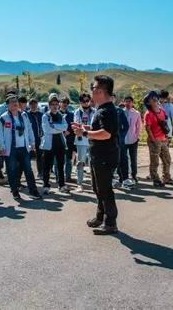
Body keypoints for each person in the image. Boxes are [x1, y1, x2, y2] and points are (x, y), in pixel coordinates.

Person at [72, 75, 120, 235]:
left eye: (93, 88)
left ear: (100, 91)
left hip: (105, 157)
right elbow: (99, 128)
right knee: (98, 188)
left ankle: (110, 223)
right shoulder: (101, 109)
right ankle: (100, 217)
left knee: (105, 190)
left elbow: (106, 133)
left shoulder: (107, 110)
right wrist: (85, 127)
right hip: (98, 156)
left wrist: (84, 133)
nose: (91, 92)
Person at [0, 95, 42, 200]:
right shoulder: (3, 118)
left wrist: (32, 142)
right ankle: (15, 191)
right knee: (11, 170)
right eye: (12, 102)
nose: (15, 103)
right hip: (10, 149)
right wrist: (2, 147)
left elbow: (29, 130)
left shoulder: (24, 115)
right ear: (7, 105)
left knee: (28, 170)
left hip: (24, 147)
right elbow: (0, 134)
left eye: (16, 101)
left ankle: (33, 190)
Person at [144, 91, 173, 188]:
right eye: (152, 98)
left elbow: (165, 123)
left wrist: (166, 137)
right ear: (148, 102)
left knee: (167, 160)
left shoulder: (162, 111)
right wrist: (153, 139)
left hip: (163, 139)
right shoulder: (148, 114)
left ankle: (166, 177)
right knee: (155, 162)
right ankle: (156, 179)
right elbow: (148, 128)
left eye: (155, 97)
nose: (155, 98)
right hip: (155, 141)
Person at [41, 95, 68, 193]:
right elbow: (47, 130)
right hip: (49, 145)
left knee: (60, 166)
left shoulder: (61, 115)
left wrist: (54, 126)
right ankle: (46, 186)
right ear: (49, 105)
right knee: (47, 167)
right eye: (52, 104)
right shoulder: (45, 116)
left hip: (60, 144)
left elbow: (65, 127)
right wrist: (59, 128)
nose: (55, 106)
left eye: (56, 104)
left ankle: (61, 185)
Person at [73, 93, 95, 192]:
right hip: (81, 140)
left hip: (92, 139)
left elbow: (95, 126)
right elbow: (76, 126)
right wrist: (86, 126)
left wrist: (82, 126)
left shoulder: (95, 111)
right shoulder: (77, 112)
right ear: (80, 102)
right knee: (80, 162)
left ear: (90, 101)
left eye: (87, 101)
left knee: (93, 163)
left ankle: (94, 183)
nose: (86, 103)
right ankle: (79, 184)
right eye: (83, 101)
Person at [0, 90, 17, 179]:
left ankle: (9, 170)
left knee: (12, 154)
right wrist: (2, 121)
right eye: (10, 97)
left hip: (14, 134)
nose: (13, 100)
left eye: (14, 98)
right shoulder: (1, 107)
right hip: (3, 132)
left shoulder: (16, 107)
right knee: (2, 153)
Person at [122, 96, 142, 185]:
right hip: (123, 139)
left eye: (129, 101)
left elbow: (139, 126)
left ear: (132, 103)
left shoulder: (136, 113)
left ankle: (134, 175)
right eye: (126, 101)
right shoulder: (121, 112)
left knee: (133, 158)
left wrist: (137, 136)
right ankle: (123, 176)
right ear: (124, 102)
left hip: (133, 139)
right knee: (122, 159)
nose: (128, 103)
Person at [113, 96, 131, 188]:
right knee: (111, 160)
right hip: (108, 140)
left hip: (120, 140)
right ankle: (111, 179)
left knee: (123, 158)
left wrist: (122, 136)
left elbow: (126, 125)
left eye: (113, 98)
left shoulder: (119, 111)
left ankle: (125, 178)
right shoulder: (102, 110)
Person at [27, 98, 44, 179]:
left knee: (40, 156)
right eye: (31, 104)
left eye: (35, 104)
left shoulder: (41, 114)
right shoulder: (26, 115)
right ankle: (28, 173)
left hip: (39, 138)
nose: (33, 106)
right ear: (29, 105)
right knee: (28, 156)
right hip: (30, 139)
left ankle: (40, 172)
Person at [59, 97, 75, 182]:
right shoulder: (56, 114)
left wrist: (69, 131)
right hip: (58, 140)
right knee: (59, 160)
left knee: (68, 159)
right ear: (60, 103)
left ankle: (68, 176)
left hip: (69, 140)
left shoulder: (71, 115)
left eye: (66, 103)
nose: (65, 104)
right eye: (63, 102)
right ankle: (59, 178)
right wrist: (61, 132)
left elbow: (74, 125)